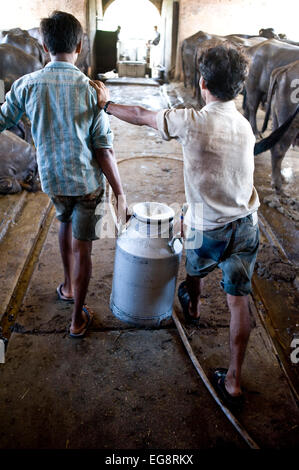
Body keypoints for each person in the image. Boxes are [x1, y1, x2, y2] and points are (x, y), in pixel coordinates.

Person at [89, 45, 260, 409]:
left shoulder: (191, 120)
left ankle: (193, 307)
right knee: (238, 301)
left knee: (193, 253)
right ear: (240, 88)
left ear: (202, 83)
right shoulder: (245, 126)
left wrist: (106, 105)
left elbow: (140, 114)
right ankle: (233, 381)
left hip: (207, 229)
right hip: (247, 224)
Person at [0, 11, 127, 338]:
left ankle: (68, 286)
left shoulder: (26, 85)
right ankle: (76, 319)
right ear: (81, 46)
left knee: (64, 219)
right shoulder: (93, 90)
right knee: (83, 247)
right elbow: (103, 149)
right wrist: (119, 191)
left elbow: (2, 119)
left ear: (43, 45)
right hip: (87, 185)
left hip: (52, 181)